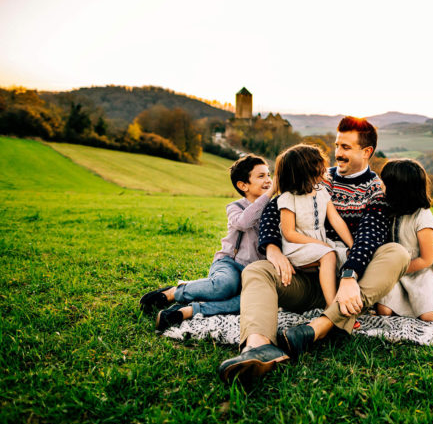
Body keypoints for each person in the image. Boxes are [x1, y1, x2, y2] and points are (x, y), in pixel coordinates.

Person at [218, 117, 410, 384]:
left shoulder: (375, 190)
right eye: (337, 145)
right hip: (305, 279)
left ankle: (320, 326)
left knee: (397, 253)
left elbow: (369, 237)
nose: (338, 153)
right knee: (257, 270)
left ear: (367, 152)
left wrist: (349, 276)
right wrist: (272, 249)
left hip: (349, 283)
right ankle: (258, 347)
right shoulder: (317, 175)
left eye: (346, 147)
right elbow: (274, 210)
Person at [139, 154, 273, 331]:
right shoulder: (235, 207)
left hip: (255, 272)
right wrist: (270, 194)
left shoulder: (274, 207)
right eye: (261, 176)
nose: (269, 180)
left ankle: (189, 311)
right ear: (243, 185)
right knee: (225, 286)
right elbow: (244, 222)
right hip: (230, 264)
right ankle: (175, 292)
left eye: (269, 175)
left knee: (249, 301)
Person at [275, 144, 354, 307]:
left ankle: (350, 299)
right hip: (297, 247)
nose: (325, 167)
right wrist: (321, 245)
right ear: (307, 171)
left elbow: (336, 220)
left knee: (348, 256)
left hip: (321, 244)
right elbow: (289, 233)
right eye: (320, 164)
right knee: (329, 255)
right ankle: (332, 306)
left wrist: (353, 245)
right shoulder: (288, 198)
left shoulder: (322, 192)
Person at [375, 159, 433, 321]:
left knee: (428, 316)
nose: (380, 186)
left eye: (385, 183)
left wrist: (398, 270)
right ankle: (401, 301)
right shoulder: (390, 210)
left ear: (399, 190)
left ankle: (432, 298)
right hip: (395, 273)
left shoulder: (423, 217)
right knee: (383, 311)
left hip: (421, 273)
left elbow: (427, 259)